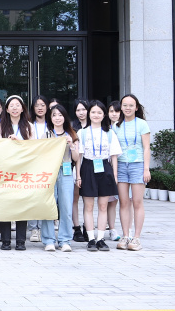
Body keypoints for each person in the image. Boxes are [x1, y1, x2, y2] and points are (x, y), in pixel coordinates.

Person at [76, 100, 121, 252]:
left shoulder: (109, 133)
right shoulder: (82, 132)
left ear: (104, 115)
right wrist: (78, 176)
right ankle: (91, 238)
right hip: (87, 168)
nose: (96, 115)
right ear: (89, 114)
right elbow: (78, 157)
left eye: (99, 112)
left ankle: (101, 238)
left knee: (103, 205)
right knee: (88, 206)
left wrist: (114, 175)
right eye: (93, 112)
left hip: (105, 168)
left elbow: (114, 156)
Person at [0, 95, 33, 251]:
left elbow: (34, 148)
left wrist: (19, 142)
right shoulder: (1, 126)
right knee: (5, 204)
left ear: (22, 108)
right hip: (6, 170)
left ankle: (20, 240)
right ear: (7, 109)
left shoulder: (29, 126)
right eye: (11, 105)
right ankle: (5, 240)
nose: (15, 108)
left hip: (23, 169)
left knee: (21, 204)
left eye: (18, 105)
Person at [114, 94, 150, 251]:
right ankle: (125, 235)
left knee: (137, 202)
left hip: (137, 165)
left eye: (131, 105)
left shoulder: (142, 124)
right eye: (125, 105)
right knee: (123, 202)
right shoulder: (116, 125)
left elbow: (147, 148)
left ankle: (136, 237)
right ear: (121, 107)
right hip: (121, 165)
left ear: (136, 107)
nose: (127, 108)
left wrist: (146, 168)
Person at [42, 104, 81, 252]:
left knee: (66, 207)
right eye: (54, 115)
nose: (57, 118)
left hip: (66, 172)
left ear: (64, 117)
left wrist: (71, 145)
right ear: (50, 118)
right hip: (49, 173)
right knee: (49, 206)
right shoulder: (46, 135)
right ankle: (48, 240)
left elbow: (76, 158)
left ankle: (65, 240)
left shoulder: (72, 135)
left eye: (60, 115)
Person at [28, 95, 51, 243]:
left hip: (48, 164)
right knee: (32, 196)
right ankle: (33, 229)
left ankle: (44, 228)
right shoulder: (29, 124)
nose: (40, 108)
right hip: (32, 164)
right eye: (37, 105)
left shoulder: (52, 123)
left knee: (45, 196)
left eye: (43, 105)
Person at [71, 99, 91, 243]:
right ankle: (76, 228)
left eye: (83, 109)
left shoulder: (95, 126)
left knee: (88, 199)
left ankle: (87, 227)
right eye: (78, 110)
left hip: (90, 166)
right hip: (74, 165)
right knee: (75, 198)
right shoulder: (72, 127)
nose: (81, 113)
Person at [104, 101, 122, 242]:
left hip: (123, 166)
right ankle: (111, 228)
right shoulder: (105, 129)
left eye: (117, 111)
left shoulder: (124, 127)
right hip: (108, 168)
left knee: (120, 200)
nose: (114, 114)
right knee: (109, 201)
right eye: (111, 111)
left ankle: (121, 229)